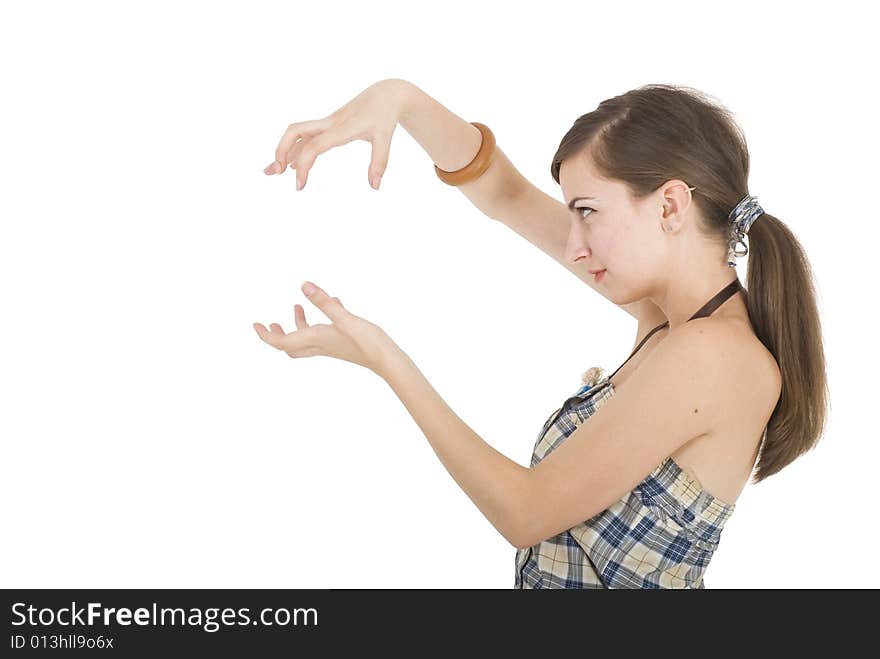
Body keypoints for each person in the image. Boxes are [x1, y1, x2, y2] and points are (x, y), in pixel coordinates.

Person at [255, 79, 829, 588]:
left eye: (588, 211)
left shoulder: (714, 355)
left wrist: (386, 359)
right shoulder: (671, 320)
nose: (575, 245)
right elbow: (504, 193)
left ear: (671, 205)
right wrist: (402, 99)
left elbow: (525, 512)